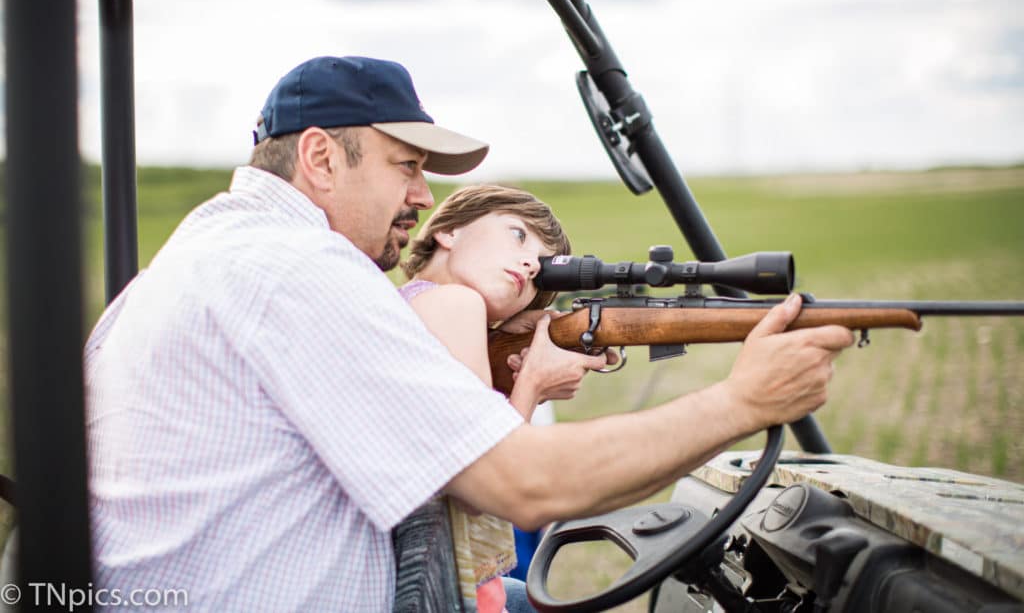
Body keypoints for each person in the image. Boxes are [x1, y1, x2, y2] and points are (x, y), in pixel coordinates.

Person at [84, 55, 854, 611]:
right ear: (321, 156)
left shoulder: (196, 257)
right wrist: (745, 400)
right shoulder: (297, 268)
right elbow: (527, 484)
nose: (425, 194)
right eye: (406, 164)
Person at [397, 184, 580, 612]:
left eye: (541, 269)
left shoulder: (412, 304)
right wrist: (533, 383)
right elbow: (485, 478)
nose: (531, 263)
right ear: (449, 231)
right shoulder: (457, 303)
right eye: (519, 234)